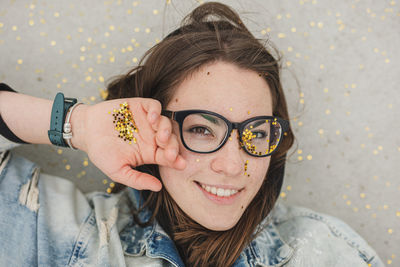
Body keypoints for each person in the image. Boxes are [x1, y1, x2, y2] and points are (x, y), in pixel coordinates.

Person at [0, 2, 384, 267]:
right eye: (201, 129)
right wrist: (79, 125)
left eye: (256, 133)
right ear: (151, 127)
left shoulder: (325, 251)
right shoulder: (63, 234)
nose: (233, 164)